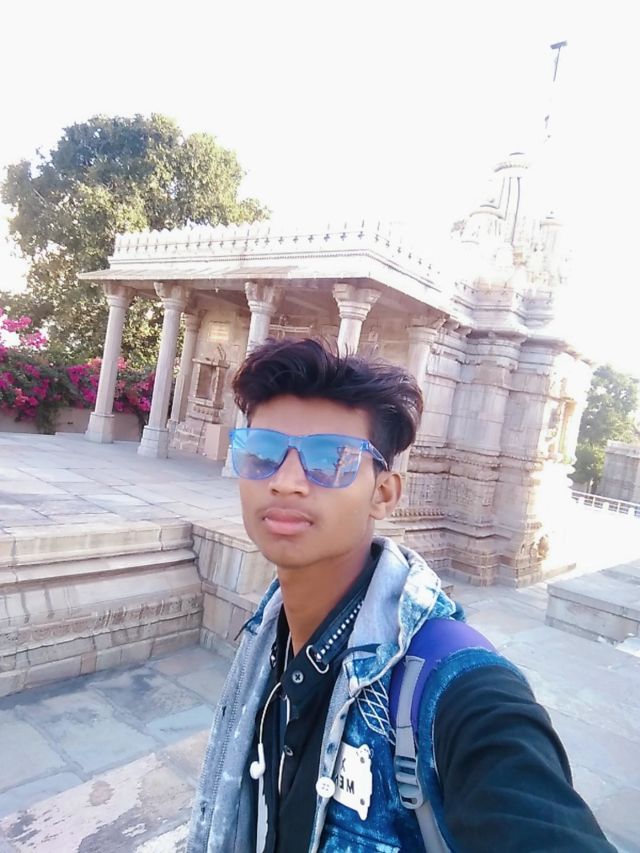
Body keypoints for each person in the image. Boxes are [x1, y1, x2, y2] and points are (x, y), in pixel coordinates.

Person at [187, 337, 615, 853]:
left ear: (384, 493)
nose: (287, 481)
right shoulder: (268, 637)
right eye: (262, 453)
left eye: (331, 459)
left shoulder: (457, 691)